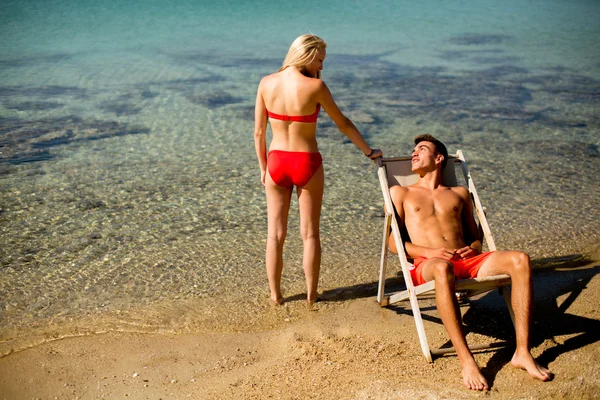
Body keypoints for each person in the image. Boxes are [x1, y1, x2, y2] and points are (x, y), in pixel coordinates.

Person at [388, 134, 552, 391]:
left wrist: (472, 248)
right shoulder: (401, 192)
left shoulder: (460, 193)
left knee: (520, 260)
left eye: (421, 149)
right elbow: (392, 242)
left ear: (439, 158)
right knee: (443, 268)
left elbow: (476, 240)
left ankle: (522, 352)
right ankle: (467, 360)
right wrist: (428, 252)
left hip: (468, 262)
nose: (414, 154)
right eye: (413, 150)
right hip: (429, 265)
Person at [254, 34, 382, 307]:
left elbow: (258, 133)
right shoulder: (316, 86)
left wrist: (263, 169)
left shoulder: (266, 83)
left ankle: (276, 297)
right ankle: (312, 296)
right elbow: (344, 124)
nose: (322, 67)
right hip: (306, 162)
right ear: (307, 54)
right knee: (310, 234)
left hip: (276, 161)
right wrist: (369, 152)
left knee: (275, 235)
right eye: (320, 59)